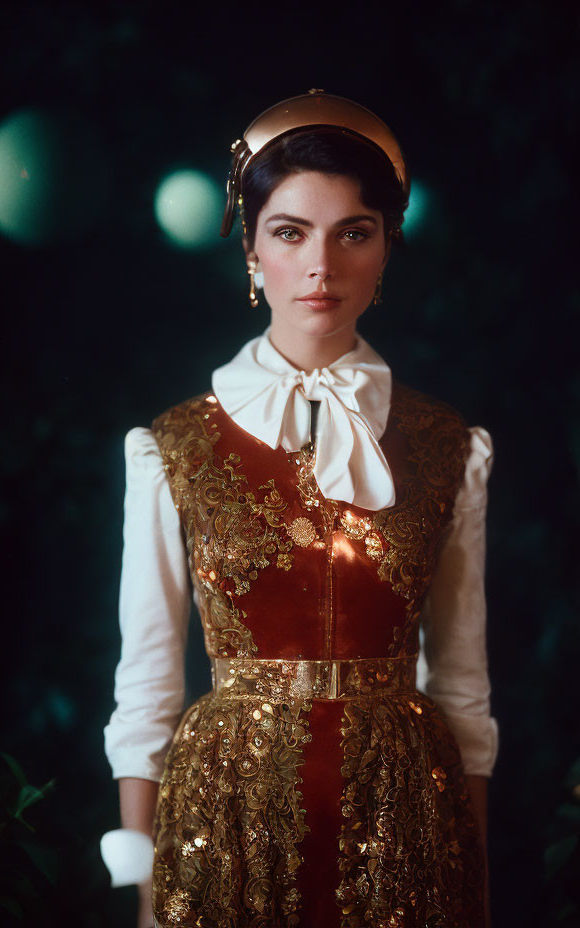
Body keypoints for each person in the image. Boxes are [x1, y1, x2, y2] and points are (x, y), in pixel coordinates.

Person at [103, 90, 499, 928]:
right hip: (227, 819)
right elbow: (145, 686)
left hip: (408, 825)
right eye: (290, 232)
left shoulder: (447, 443)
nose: (322, 266)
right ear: (250, 248)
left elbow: (462, 685)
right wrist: (138, 885)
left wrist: (476, 881)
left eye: (353, 232)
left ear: (387, 249)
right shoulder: (170, 446)